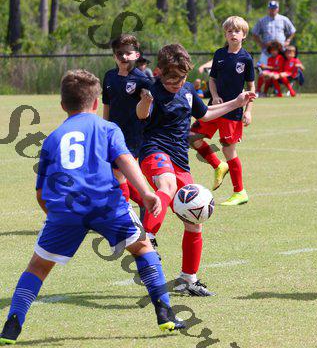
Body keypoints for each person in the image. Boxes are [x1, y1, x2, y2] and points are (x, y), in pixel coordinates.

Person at [0, 70, 185, 345]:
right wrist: (146, 192)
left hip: (65, 209)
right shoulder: (108, 128)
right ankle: (165, 313)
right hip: (106, 204)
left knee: (37, 267)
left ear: (62, 105)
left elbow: (41, 192)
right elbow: (126, 160)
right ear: (97, 102)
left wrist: (57, 217)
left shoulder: (53, 138)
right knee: (143, 247)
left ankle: (12, 325)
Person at [136, 43, 255, 296]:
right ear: (160, 72)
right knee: (167, 185)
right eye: (171, 79)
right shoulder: (152, 90)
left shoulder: (188, 90)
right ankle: (147, 236)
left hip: (180, 159)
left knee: (194, 217)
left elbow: (206, 114)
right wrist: (145, 102)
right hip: (154, 151)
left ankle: (187, 280)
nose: (176, 84)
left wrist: (237, 102)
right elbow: (141, 114)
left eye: (181, 78)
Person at [190, 16, 256, 206]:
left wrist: (248, 111)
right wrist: (215, 95)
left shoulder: (246, 59)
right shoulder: (219, 54)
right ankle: (218, 165)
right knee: (192, 137)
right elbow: (212, 80)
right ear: (225, 34)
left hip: (233, 112)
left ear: (244, 35)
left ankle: (240, 192)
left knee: (228, 149)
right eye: (229, 31)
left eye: (237, 31)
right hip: (214, 108)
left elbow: (251, 87)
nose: (233, 34)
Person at [102, 35, 153, 208]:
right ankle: (146, 202)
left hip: (132, 135)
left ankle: (122, 211)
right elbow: (107, 105)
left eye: (128, 53)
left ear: (136, 55)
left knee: (118, 173)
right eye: (119, 53)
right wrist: (104, 129)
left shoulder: (143, 80)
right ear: (114, 56)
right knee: (117, 174)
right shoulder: (109, 76)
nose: (124, 57)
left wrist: (146, 101)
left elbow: (146, 112)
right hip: (112, 133)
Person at [251, 0, 296, 66]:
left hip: (281, 50)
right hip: (267, 51)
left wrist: (288, 40)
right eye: (271, 8)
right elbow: (254, 33)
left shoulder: (284, 19)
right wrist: (260, 43)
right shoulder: (262, 21)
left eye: (275, 8)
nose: (273, 10)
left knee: (281, 69)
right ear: (268, 9)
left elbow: (292, 31)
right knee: (263, 69)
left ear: (278, 9)